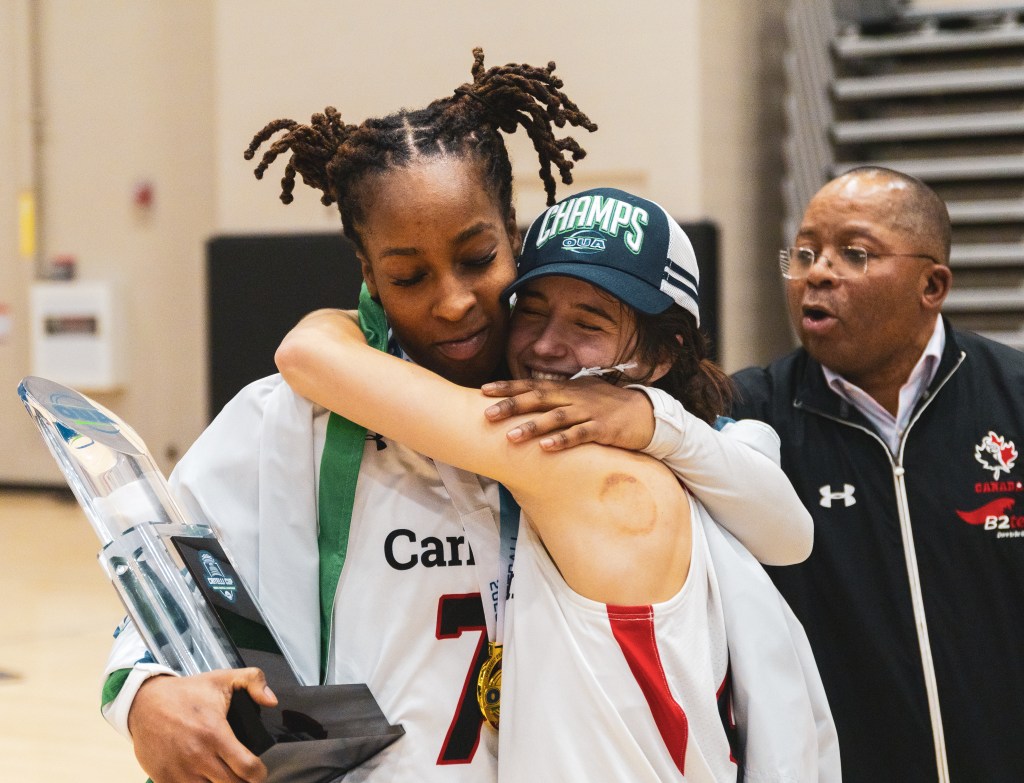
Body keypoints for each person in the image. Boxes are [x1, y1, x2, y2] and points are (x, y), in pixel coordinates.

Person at [99, 50, 809, 783]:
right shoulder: (283, 419)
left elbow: (778, 523)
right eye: (408, 276)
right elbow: (171, 585)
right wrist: (144, 694)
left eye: (477, 258)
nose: (453, 301)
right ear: (369, 274)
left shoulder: (613, 423)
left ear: (513, 235)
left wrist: (657, 420)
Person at [276, 186, 838, 781]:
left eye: (588, 323)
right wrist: (659, 421)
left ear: (662, 355)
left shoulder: (580, 462)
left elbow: (308, 355)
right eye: (531, 311)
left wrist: (354, 311)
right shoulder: (697, 451)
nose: (545, 345)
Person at [727, 166, 1024, 782]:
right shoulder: (748, 418)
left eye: (854, 253)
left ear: (931, 285)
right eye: (805, 253)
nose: (817, 272)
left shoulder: (1014, 397)